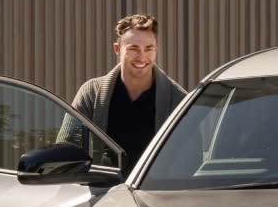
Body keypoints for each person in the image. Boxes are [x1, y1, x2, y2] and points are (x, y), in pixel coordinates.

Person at [61, 13, 185, 170]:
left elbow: (191, 160)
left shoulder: (178, 100)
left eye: (148, 49)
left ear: (156, 49)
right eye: (133, 49)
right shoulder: (91, 94)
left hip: (156, 186)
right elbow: (66, 149)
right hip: (103, 185)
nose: (141, 57)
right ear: (117, 49)